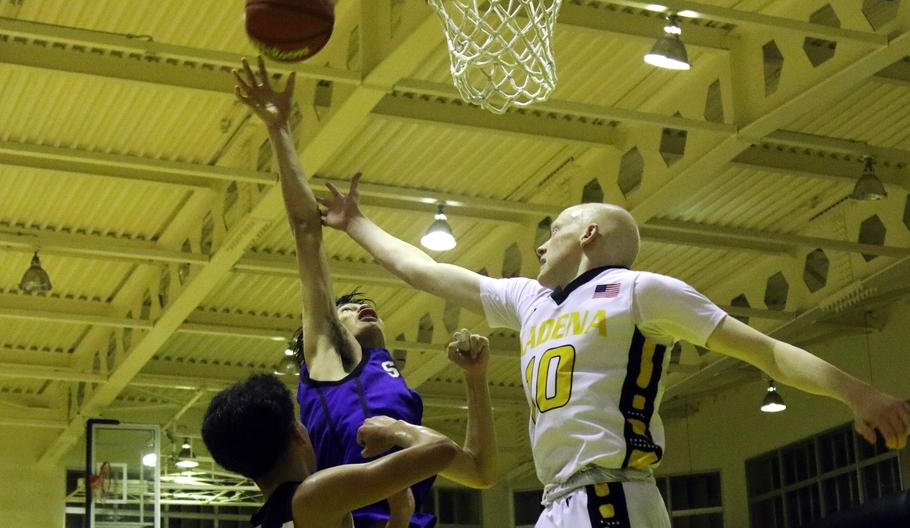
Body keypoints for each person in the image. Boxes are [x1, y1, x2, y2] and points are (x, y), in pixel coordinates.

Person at [318, 178, 910, 528]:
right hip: (559, 501)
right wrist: (357, 223)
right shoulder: (528, 298)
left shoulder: (641, 291)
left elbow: (767, 352)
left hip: (611, 495)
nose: (541, 243)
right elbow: (423, 271)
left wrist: (856, 392)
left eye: (552, 231)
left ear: (588, 236)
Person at [232, 57, 497, 528]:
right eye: (346, 307)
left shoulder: (400, 398)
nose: (358, 306)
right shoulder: (330, 362)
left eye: (361, 303)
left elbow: (481, 471)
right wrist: (279, 130)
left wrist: (476, 380)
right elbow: (305, 232)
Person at [202, 372, 455, 528]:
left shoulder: (278, 516)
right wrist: (393, 430)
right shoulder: (313, 496)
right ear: (298, 433)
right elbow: (443, 450)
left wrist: (400, 516)